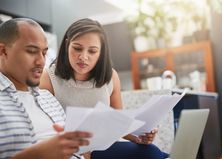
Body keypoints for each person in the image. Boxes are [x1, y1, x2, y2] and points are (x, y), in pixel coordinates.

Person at [40, 18, 169, 159]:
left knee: (152, 152)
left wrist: (139, 136)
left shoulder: (111, 76)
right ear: (67, 45)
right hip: (69, 150)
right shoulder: (47, 78)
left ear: (101, 53)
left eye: (92, 51)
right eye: (77, 48)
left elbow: (118, 125)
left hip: (102, 148)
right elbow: (42, 130)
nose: (83, 57)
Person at [0, 18, 92, 159]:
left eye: (44, 53)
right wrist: (37, 155)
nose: (41, 61)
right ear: (3, 51)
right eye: (31, 51)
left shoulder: (48, 98)